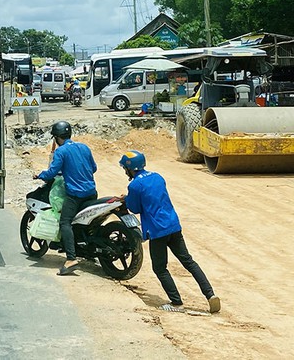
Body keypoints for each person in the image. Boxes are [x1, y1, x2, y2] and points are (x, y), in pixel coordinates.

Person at [119, 150, 221, 313]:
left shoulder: (134, 185)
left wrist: (128, 198)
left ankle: (176, 302)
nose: (125, 171)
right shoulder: (158, 177)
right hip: (173, 225)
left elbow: (135, 207)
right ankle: (210, 295)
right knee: (188, 261)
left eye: (125, 168)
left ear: (130, 168)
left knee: (159, 268)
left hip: (157, 230)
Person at [33, 121, 98, 275]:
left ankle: (71, 258)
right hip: (92, 192)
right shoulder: (84, 147)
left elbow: (51, 172)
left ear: (56, 138)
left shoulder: (61, 152)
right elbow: (94, 168)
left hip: (76, 196)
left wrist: (39, 175)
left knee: (65, 222)